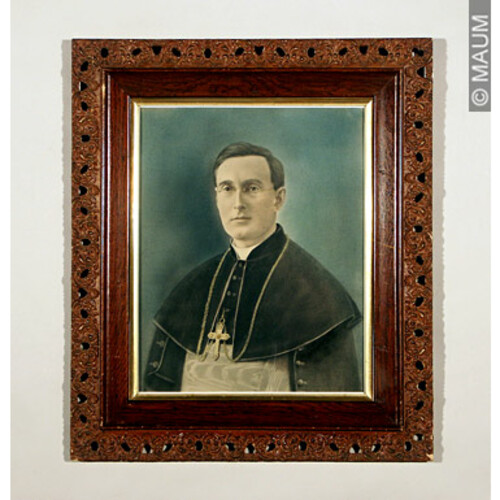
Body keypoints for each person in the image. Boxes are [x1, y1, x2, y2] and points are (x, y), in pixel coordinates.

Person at [145, 142, 362, 393]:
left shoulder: (319, 294)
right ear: (217, 197)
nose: (238, 203)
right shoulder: (193, 285)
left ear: (278, 199)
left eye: (252, 188)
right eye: (227, 188)